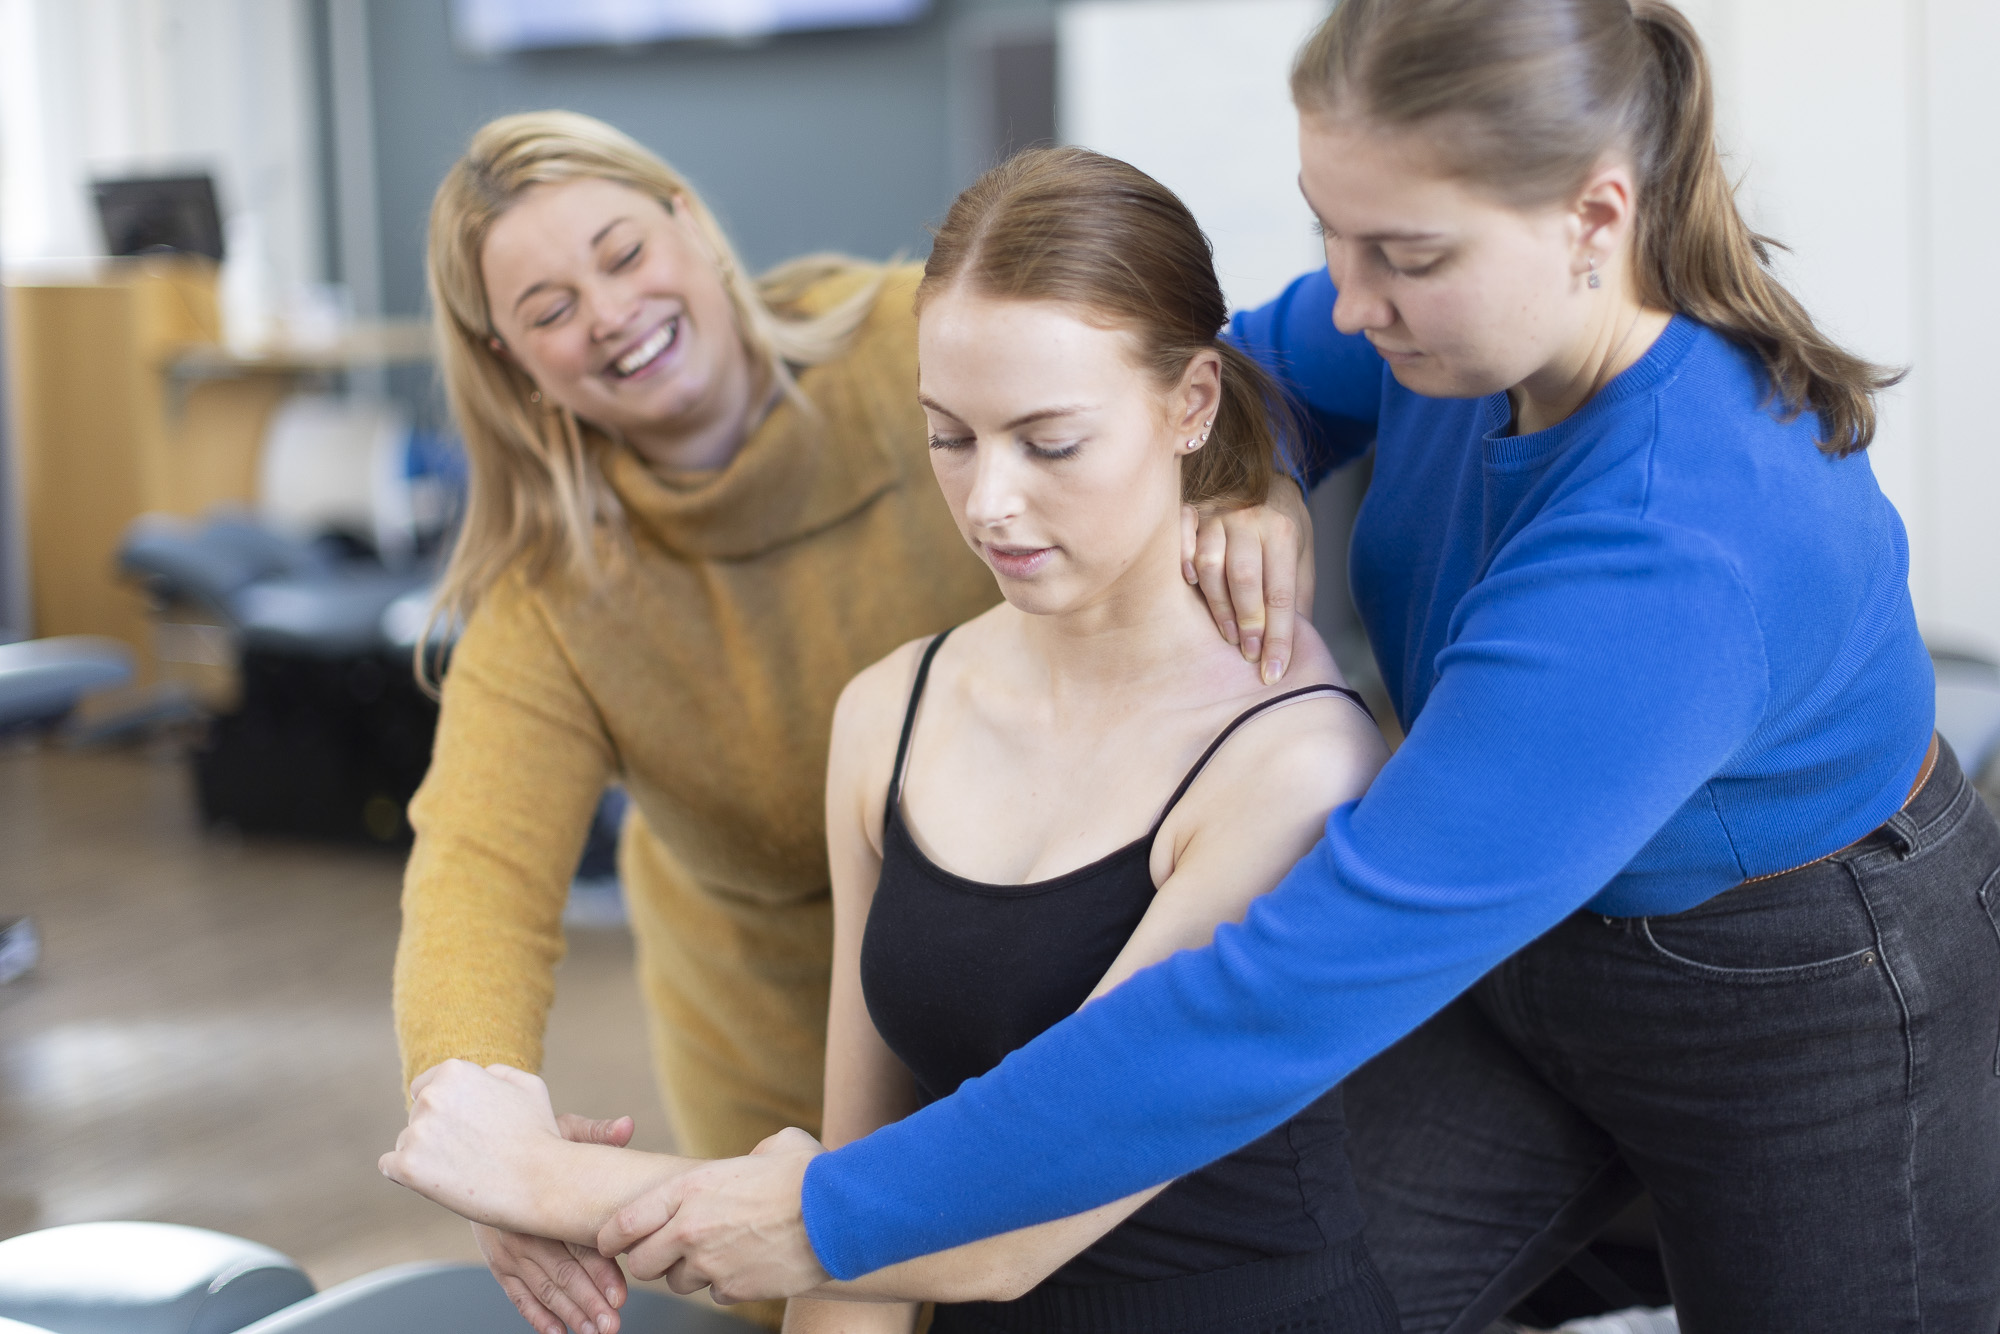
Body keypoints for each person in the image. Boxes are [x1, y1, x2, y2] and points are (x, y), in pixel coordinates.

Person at [573, 3, 2000, 1332]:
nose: (1352, 297)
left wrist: (833, 1212)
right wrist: (1253, 476)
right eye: (1335, 236)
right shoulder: (1446, 321)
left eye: (1404, 257)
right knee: (1193, 1275)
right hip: (1528, 947)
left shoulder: (1681, 545)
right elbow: (1235, 370)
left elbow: (1280, 984)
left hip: (1801, 988)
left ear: (1594, 218)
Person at [384, 143, 1396, 1334]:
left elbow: (1008, 1215)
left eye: (1048, 441)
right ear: (510, 360)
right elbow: (478, 869)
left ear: (689, 219)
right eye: (949, 438)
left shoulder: (1292, 761)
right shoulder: (880, 710)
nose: (987, 504)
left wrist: (528, 1175)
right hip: (795, 1086)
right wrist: (471, 1088)